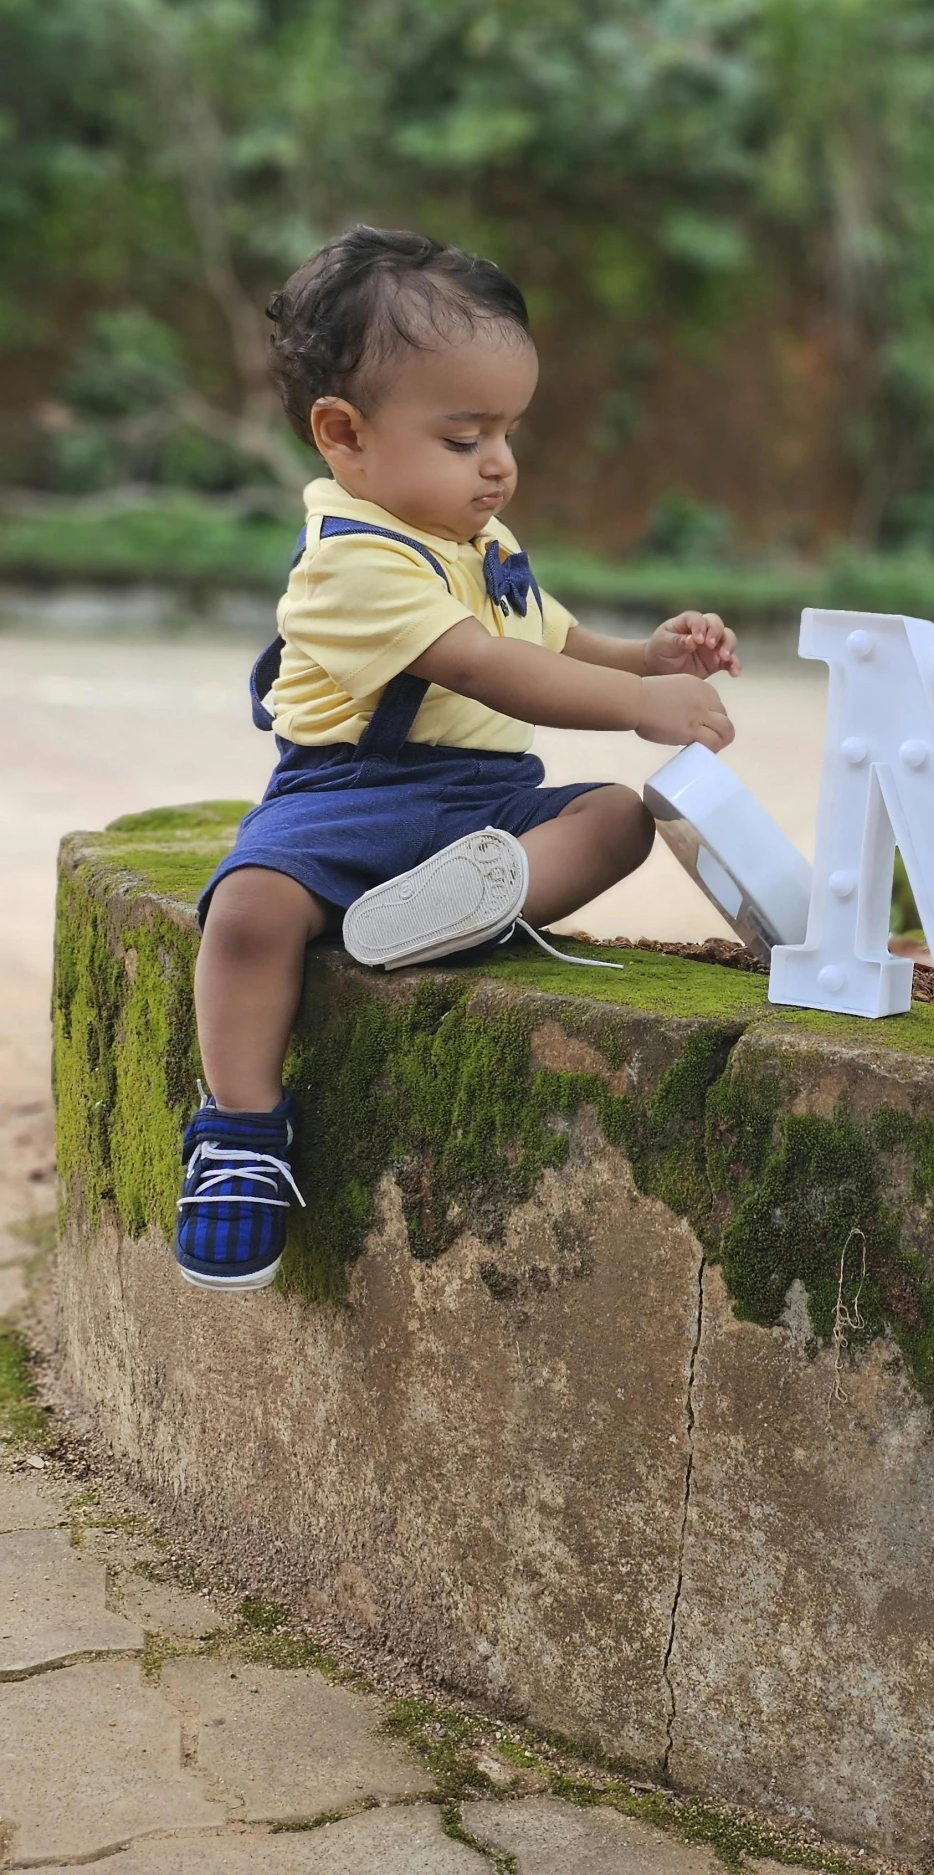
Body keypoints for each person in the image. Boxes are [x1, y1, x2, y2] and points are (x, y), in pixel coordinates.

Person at [176, 225, 738, 1291]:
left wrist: (642, 653)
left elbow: (546, 636)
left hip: (483, 799)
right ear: (343, 432)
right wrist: (638, 701)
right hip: (347, 794)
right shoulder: (354, 562)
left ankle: (476, 895)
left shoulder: (480, 538)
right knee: (249, 906)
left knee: (620, 816)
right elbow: (483, 666)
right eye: (462, 434)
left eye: (510, 430)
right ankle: (240, 1131)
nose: (498, 462)